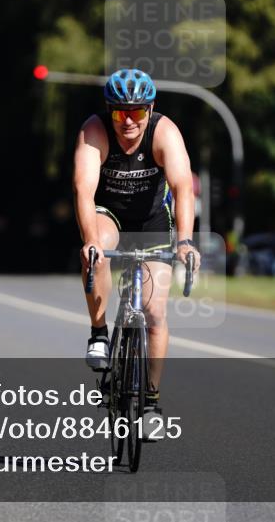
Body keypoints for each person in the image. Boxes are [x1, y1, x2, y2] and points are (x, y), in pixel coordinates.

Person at [73, 68, 201, 436]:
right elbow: (83, 190)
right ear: (109, 111)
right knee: (97, 247)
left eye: (137, 112)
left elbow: (181, 188)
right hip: (109, 214)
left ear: (150, 109)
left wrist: (186, 240)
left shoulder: (165, 132)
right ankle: (99, 333)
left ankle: (151, 401)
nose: (128, 121)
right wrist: (91, 241)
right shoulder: (93, 131)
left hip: (150, 222)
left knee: (154, 311)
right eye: (120, 113)